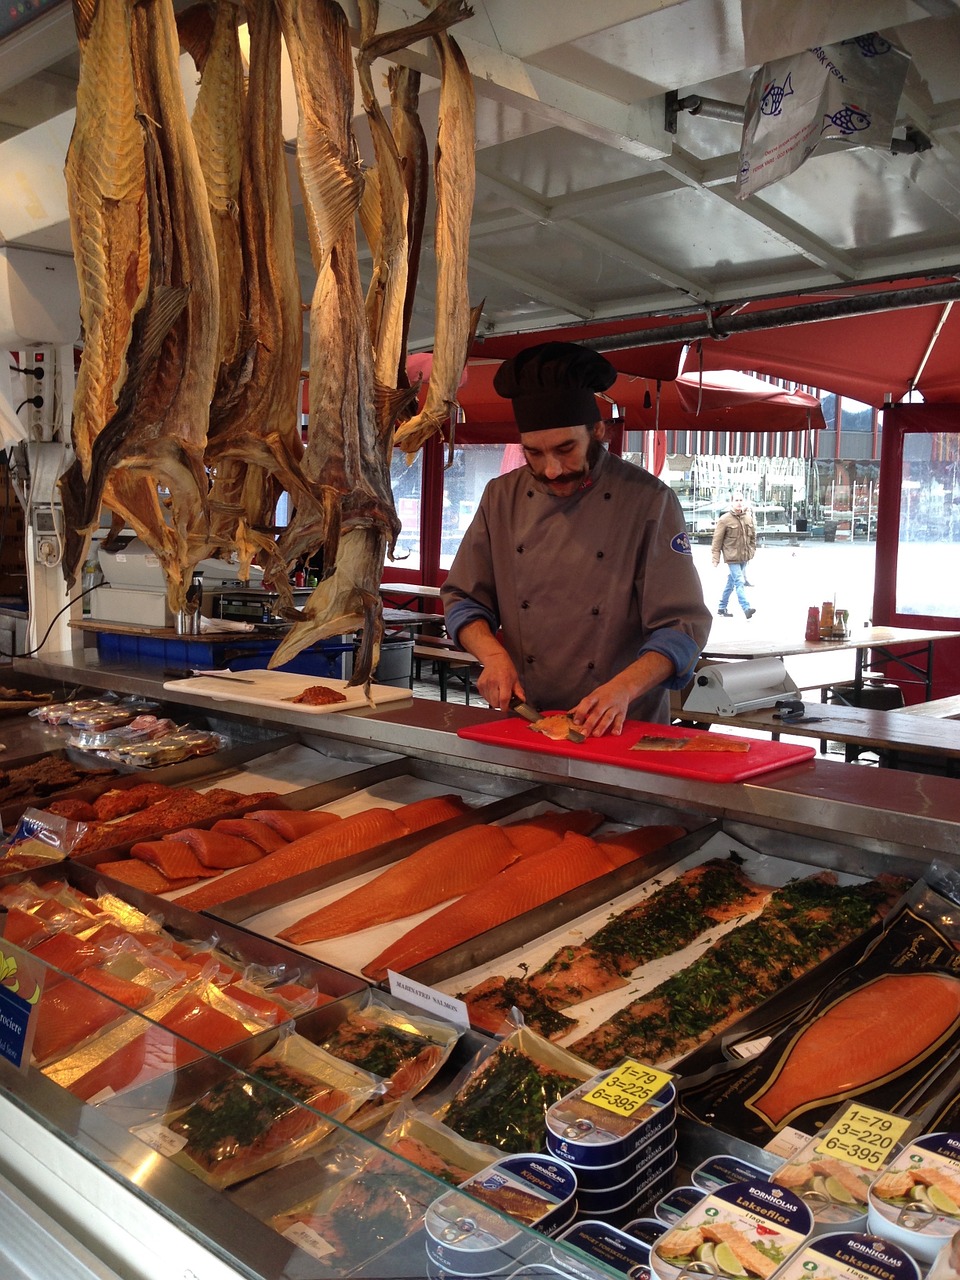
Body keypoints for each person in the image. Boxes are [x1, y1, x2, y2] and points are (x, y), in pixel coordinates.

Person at [440, 341, 711, 736]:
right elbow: (463, 599)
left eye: (566, 450)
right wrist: (492, 654)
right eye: (534, 453)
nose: (551, 470)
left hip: (621, 724)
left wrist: (623, 688)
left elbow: (683, 626)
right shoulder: (501, 497)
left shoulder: (648, 501)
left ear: (598, 431)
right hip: (529, 721)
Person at [711, 493, 757, 618]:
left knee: (731, 582)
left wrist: (752, 551)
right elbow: (717, 540)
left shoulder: (748, 518)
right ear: (731, 502)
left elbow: (753, 537)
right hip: (732, 557)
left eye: (741, 500)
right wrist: (715, 558)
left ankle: (722, 607)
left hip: (744, 556)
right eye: (736, 500)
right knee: (739, 581)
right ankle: (746, 608)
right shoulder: (724, 519)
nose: (739, 502)